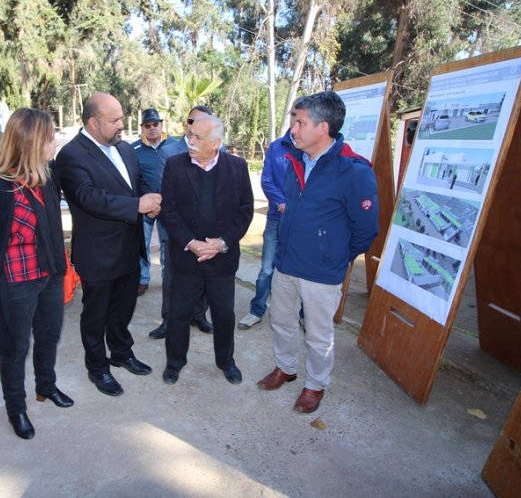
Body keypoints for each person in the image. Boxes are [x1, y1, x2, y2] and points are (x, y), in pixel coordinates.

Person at [257, 92, 378, 414]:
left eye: (300, 122)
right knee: (281, 320)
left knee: (318, 334)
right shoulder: (296, 160)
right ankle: (286, 367)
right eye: (293, 121)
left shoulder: (354, 171)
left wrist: (333, 257)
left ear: (322, 127)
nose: (293, 129)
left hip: (322, 272)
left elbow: (365, 231)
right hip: (286, 263)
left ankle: (315, 385)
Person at [0, 108, 73, 440]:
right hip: (15, 282)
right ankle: (16, 408)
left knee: (49, 335)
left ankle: (47, 386)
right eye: (49, 136)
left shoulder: (48, 176)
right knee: (15, 348)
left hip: (50, 274)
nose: (54, 140)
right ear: (29, 142)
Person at [55, 92, 160, 397]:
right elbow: (88, 198)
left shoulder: (125, 149)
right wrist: (137, 206)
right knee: (96, 315)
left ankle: (121, 352)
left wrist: (150, 201)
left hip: (129, 247)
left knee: (123, 308)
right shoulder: (72, 155)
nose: (121, 125)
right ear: (93, 122)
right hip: (98, 253)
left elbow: (135, 183)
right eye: (114, 120)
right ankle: (98, 368)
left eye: (121, 118)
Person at [160, 114, 253, 385]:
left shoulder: (237, 167)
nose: (189, 141)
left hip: (221, 259)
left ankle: (226, 362)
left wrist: (222, 243)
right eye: (189, 135)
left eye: (197, 138)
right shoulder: (175, 165)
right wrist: (191, 243)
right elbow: (170, 211)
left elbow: (245, 211)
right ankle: (174, 362)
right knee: (179, 314)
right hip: (186, 257)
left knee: (224, 315)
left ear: (216, 143)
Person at [148, 105, 219, 339]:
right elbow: (163, 194)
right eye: (191, 121)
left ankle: (198, 315)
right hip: (176, 229)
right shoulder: (169, 152)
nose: (193, 126)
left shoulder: (218, 149)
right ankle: (168, 320)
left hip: (207, 230)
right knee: (173, 277)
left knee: (204, 275)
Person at [238, 128, 293, 329]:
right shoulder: (277, 147)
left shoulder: (311, 146)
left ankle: (302, 314)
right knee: (266, 270)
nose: (297, 122)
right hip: (275, 218)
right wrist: (281, 202)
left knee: (299, 273)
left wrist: (294, 207)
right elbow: (266, 180)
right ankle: (257, 310)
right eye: (295, 116)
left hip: (300, 223)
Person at [131, 107, 175, 297]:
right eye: (147, 125)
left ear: (161, 124)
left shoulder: (174, 145)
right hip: (145, 208)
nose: (152, 128)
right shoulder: (134, 149)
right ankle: (143, 279)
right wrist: (145, 202)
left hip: (169, 206)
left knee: (168, 246)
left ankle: (169, 280)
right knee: (142, 244)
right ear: (142, 128)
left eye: (155, 124)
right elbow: (133, 179)